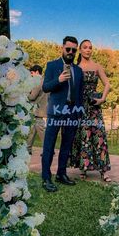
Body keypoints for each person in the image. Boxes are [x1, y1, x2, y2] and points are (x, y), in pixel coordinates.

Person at [41, 36, 84, 192]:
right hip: (55, 113)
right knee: (49, 146)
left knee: (66, 146)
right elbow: (45, 87)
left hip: (72, 114)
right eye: (68, 49)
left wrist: (79, 114)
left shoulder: (78, 71)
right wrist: (58, 80)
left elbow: (80, 93)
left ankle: (61, 174)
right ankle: (46, 177)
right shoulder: (52, 66)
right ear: (62, 48)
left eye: (74, 50)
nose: (71, 52)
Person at [69, 39, 111, 182]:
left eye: (90, 48)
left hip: (94, 105)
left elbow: (107, 84)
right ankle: (83, 169)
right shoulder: (75, 68)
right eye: (85, 47)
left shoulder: (97, 66)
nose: (88, 50)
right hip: (81, 106)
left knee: (99, 136)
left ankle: (104, 171)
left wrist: (102, 99)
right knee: (83, 136)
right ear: (80, 50)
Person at [27, 64, 48, 154]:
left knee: (41, 133)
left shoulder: (38, 81)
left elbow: (32, 97)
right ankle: (28, 149)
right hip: (42, 110)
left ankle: (47, 150)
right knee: (32, 131)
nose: (31, 75)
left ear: (37, 72)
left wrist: (25, 94)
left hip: (39, 111)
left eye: (32, 73)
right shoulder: (46, 80)